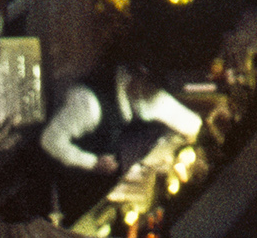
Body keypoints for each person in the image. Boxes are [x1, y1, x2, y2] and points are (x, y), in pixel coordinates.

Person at [41, 64, 202, 215]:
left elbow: (178, 115)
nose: (152, 93)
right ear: (139, 75)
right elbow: (50, 140)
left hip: (107, 183)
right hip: (74, 188)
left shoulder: (140, 88)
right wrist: (92, 162)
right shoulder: (88, 104)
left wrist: (194, 134)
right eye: (149, 86)